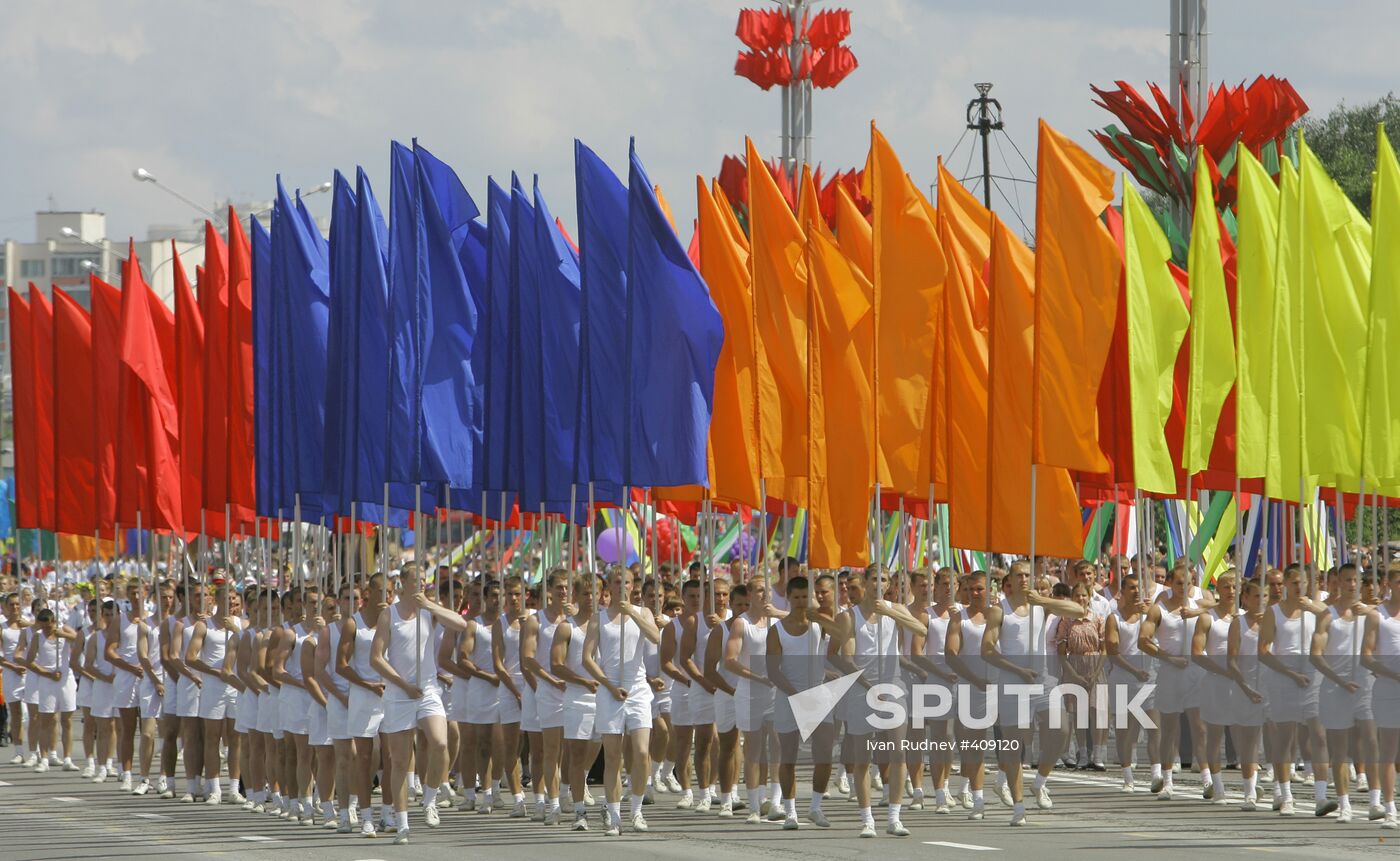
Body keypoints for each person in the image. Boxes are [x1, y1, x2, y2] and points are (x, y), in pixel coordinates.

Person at [369, 563, 471, 845]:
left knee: (439, 742)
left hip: (427, 690)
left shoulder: (428, 610)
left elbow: (461, 624)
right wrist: (402, 684)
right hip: (400, 692)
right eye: (416, 580)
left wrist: (431, 605)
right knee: (399, 761)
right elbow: (376, 658)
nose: (421, 585)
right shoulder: (389, 615)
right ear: (402, 582)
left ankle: (430, 798)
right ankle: (401, 823)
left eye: (424, 580)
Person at [982, 560, 1088, 825]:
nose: (1024, 579)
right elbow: (987, 650)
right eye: (1018, 575)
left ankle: (1040, 780)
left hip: (1042, 679)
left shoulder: (1041, 606)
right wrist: (1015, 669)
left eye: (1028, 575)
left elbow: (1077, 609)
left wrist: (1042, 601)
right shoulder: (1000, 610)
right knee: (1014, 745)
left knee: (1062, 730)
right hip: (1012, 682)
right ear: (1009, 580)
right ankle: (1018, 806)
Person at [829, 564, 926, 838]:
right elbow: (843, 657)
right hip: (862, 689)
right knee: (863, 758)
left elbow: (921, 628)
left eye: (883, 580)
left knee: (898, 753)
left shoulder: (896, 610)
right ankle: (867, 818)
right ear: (865, 581)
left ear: (889, 584)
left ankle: (894, 817)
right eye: (874, 579)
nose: (878, 584)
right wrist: (869, 687)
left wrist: (891, 612)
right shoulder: (849, 616)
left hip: (893, 687)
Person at [582, 566, 661, 835]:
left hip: (637, 689)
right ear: (609, 588)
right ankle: (614, 816)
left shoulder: (642, 612)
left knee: (640, 753)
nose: (621, 587)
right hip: (610, 689)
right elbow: (587, 658)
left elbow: (656, 637)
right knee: (613, 757)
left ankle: (636, 810)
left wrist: (632, 614)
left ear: (632, 585)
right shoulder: (599, 618)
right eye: (616, 582)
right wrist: (608, 685)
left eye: (626, 582)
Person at [768, 575, 838, 829]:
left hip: (818, 698)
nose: (800, 602)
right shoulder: (777, 630)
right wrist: (797, 695)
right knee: (789, 757)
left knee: (825, 755)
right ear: (788, 598)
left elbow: (844, 633)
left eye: (804, 597)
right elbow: (773, 670)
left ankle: (816, 807)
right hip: (789, 698)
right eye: (795, 597)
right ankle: (790, 811)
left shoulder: (820, 624)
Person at [1258, 564, 1326, 816]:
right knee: (1284, 739)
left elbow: (1340, 624)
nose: (1299, 587)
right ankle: (1285, 794)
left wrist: (1316, 609)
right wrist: (1289, 674)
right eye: (1294, 582)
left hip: (1313, 677)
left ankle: (1321, 796)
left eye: (1302, 582)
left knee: (1318, 736)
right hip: (1283, 677)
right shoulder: (1274, 612)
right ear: (1285, 584)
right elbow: (1263, 650)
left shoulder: (1317, 611)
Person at [1310, 563, 1372, 824]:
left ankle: (1379, 802)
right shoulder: (1327, 615)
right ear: (1337, 583)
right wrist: (1339, 679)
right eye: (1346, 580)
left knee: (1371, 743)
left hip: (1366, 687)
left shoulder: (1372, 614)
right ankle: (1345, 804)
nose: (1351, 584)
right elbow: (1316, 656)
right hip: (1335, 688)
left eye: (1355, 580)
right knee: (1339, 749)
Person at [1139, 565, 1207, 801]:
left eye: (1187, 583)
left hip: (1195, 674)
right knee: (1169, 730)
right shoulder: (1159, 610)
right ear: (1170, 583)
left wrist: (1197, 613)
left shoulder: (1200, 606)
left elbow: (1223, 610)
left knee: (1199, 727)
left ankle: (1208, 779)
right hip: (1169, 672)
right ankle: (1167, 781)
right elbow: (1143, 641)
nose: (1182, 588)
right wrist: (1169, 658)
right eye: (1178, 583)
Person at [338, 572, 394, 837]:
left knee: (392, 756)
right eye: (382, 592)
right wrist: (366, 684)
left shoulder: (395, 621)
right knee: (364, 757)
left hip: (391, 694)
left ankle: (388, 812)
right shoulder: (353, 623)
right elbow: (342, 665)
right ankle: (366, 816)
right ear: (369, 593)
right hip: (364, 693)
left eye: (391, 592)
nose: (387, 598)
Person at [519, 568, 571, 825]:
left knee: (567, 749)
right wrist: (548, 682)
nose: (563, 591)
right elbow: (528, 659)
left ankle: (562, 794)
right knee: (541, 751)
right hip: (541, 689)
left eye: (567, 587)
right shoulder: (535, 620)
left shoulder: (574, 619)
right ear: (549, 590)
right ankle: (544, 802)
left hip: (568, 689)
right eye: (559, 586)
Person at [186, 582, 244, 805]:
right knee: (212, 738)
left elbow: (250, 646)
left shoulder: (242, 624)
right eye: (226, 599)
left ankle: (234, 788)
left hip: (235, 686)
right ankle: (214, 788)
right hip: (213, 686)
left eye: (234, 599)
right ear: (216, 601)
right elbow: (190, 657)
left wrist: (238, 630)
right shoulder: (205, 626)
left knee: (235, 739)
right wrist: (214, 671)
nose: (231, 603)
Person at [550, 576, 599, 832]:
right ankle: (579, 810)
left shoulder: (610, 626)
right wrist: (583, 681)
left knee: (608, 751)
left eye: (596, 593)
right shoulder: (567, 628)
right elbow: (556, 664)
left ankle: (611, 806)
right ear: (577, 596)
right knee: (576, 755)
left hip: (606, 698)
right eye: (587, 594)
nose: (592, 598)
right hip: (578, 698)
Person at [1192, 570, 1242, 805]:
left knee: (1245, 734)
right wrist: (1222, 671)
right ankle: (1218, 786)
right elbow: (1197, 653)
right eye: (1225, 587)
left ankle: (1251, 786)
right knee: (1215, 735)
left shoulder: (1246, 616)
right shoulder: (1207, 618)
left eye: (1234, 587)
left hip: (1241, 683)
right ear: (1217, 590)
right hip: (1215, 681)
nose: (1230, 591)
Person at [1104, 573, 1155, 792]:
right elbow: (1113, 652)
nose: (1136, 592)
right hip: (1124, 678)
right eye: (1132, 588)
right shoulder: (1114, 618)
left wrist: (1151, 618)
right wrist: (1134, 671)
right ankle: (1127, 776)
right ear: (1122, 592)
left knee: (1154, 726)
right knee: (1126, 730)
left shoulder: (1150, 616)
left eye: (1139, 588)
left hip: (1149, 678)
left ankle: (1157, 774)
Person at [1359, 564, 1400, 830]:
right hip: (1387, 690)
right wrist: (1393, 675)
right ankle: (1389, 807)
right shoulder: (1377, 616)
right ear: (1388, 584)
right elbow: (1366, 656)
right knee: (1388, 750)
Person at [1057, 581, 1106, 772]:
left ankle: (1098, 754)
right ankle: (1083, 753)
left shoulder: (1098, 619)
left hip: (1095, 666)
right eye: (1077, 595)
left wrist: (1095, 672)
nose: (1081, 598)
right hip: (1074, 665)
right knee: (1079, 713)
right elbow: (1061, 652)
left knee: (1097, 711)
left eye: (1084, 595)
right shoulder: (1066, 621)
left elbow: (1104, 649)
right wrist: (1074, 675)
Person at [491, 575, 529, 818]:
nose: (514, 599)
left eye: (517, 594)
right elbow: (498, 663)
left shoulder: (532, 619)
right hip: (509, 687)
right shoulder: (500, 624)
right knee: (511, 744)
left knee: (538, 743)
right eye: (509, 594)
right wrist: (516, 692)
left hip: (534, 685)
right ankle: (517, 797)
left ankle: (547, 793)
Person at [3, 593, 31, 765]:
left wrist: (29, 625)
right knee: (16, 713)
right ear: (5, 607)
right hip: (11, 672)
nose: (15, 608)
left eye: (17, 605)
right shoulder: (2, 628)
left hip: (31, 672)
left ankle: (37, 752)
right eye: (11, 605)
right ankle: (19, 751)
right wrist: (13, 667)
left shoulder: (29, 626)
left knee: (32, 714)